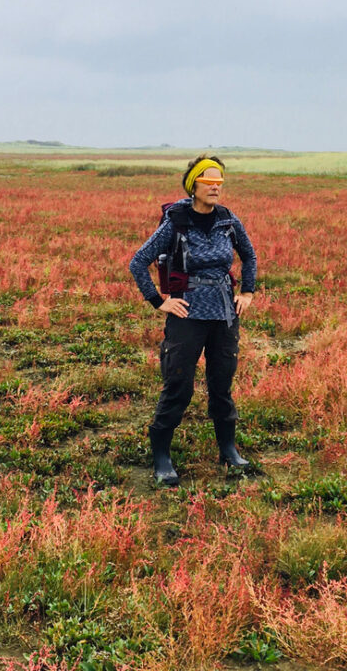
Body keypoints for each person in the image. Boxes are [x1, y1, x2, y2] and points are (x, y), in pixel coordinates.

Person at [129, 154, 258, 486]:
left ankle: (228, 450)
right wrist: (159, 301)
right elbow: (138, 261)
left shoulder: (228, 221)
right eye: (208, 181)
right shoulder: (175, 221)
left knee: (222, 382)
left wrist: (247, 292)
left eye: (220, 182)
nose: (215, 188)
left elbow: (249, 254)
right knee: (178, 384)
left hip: (224, 314)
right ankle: (161, 457)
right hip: (187, 313)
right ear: (194, 185)